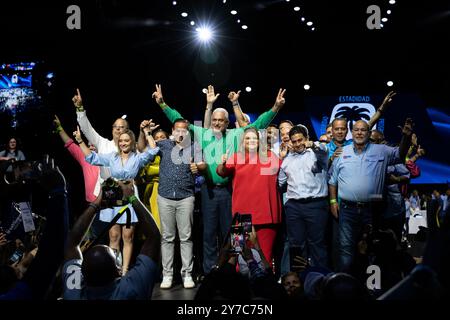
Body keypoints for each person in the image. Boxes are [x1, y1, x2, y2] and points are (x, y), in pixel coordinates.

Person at [152, 84, 286, 275]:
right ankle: (210, 274)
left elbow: (258, 126)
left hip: (230, 191)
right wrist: (163, 104)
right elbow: (179, 121)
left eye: (220, 121)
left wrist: (276, 108)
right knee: (208, 235)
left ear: (227, 123)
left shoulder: (235, 134)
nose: (216, 123)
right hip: (208, 191)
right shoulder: (202, 133)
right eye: (214, 120)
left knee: (230, 235)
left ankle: (229, 273)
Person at [328, 118, 412, 272]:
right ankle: (347, 286)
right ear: (351, 133)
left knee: (374, 247)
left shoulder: (381, 150)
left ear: (368, 133)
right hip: (347, 209)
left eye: (363, 130)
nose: (359, 133)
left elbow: (400, 155)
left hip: (374, 209)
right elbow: (332, 180)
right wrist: (333, 201)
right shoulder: (341, 153)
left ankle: (373, 289)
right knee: (346, 248)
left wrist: (406, 137)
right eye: (356, 130)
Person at [75, 126, 159, 275]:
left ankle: (125, 270)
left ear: (132, 142)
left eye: (126, 140)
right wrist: (81, 141)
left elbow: (153, 150)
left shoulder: (138, 157)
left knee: (128, 237)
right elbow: (93, 158)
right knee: (114, 236)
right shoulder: (112, 157)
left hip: (130, 199)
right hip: (113, 199)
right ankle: (116, 268)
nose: (123, 143)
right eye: (121, 141)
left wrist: (147, 134)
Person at [62, 181, 161, 300]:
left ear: (82, 274)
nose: (115, 251)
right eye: (114, 253)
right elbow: (154, 237)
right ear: (118, 271)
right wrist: (132, 197)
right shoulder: (132, 289)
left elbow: (71, 243)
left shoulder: (74, 293)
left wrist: (95, 205)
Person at [140, 118, 205, 289]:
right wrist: (147, 132)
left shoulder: (195, 147)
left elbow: (203, 165)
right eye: (178, 129)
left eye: (184, 130)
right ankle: (167, 274)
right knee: (167, 237)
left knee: (186, 237)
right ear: (172, 131)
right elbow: (147, 148)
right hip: (165, 196)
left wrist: (198, 167)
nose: (181, 132)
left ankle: (187, 274)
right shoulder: (164, 145)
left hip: (186, 197)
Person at [217, 127, 282, 264]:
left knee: (265, 257)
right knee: (237, 255)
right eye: (247, 138)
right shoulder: (236, 156)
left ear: (259, 141)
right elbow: (221, 172)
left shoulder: (271, 156)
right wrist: (222, 163)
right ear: (242, 141)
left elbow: (286, 170)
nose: (251, 141)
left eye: (254, 138)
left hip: (266, 214)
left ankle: (264, 284)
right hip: (241, 216)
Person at [278, 125, 329, 268]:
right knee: (296, 245)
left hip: (316, 205)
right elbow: (280, 183)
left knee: (317, 243)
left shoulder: (317, 154)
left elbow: (324, 149)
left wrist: (312, 145)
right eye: (294, 141)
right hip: (294, 207)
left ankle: (320, 278)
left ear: (306, 139)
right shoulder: (287, 160)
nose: (297, 144)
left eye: (300, 140)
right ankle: (299, 279)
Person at [53, 115, 100, 203]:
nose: (91, 147)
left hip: (110, 201)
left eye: (93, 145)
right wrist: (59, 128)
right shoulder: (85, 157)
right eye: (89, 145)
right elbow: (69, 143)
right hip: (92, 203)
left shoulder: (108, 157)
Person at [136, 125, 169, 230]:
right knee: (153, 218)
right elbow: (141, 148)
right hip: (151, 190)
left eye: (162, 137)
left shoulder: (173, 152)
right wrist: (144, 132)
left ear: (168, 139)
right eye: (157, 137)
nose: (159, 139)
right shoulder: (151, 152)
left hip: (167, 189)